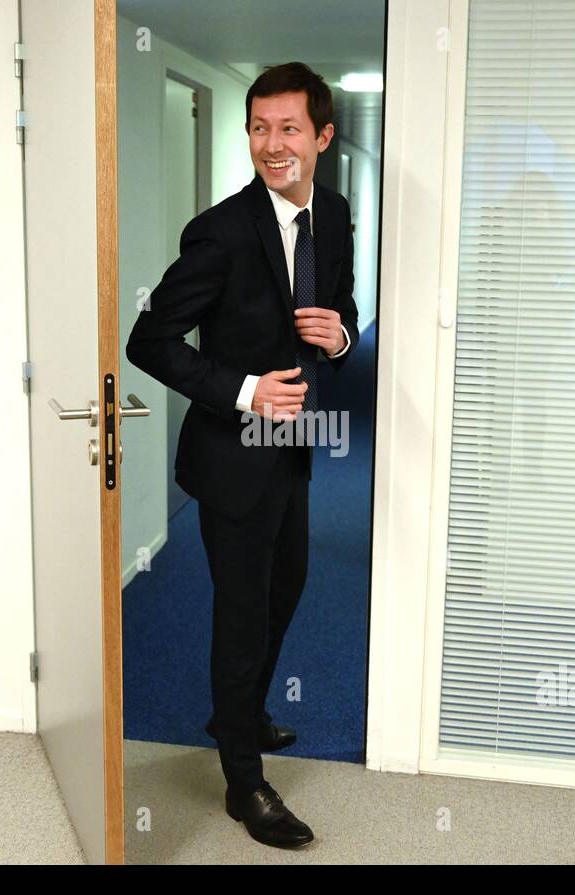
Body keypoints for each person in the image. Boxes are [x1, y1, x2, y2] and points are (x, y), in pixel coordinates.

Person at [125, 61, 359, 849]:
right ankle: (243, 782)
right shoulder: (220, 232)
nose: (271, 143)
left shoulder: (334, 210)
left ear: (322, 136)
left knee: (286, 586)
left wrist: (343, 334)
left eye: (289, 128)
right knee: (241, 615)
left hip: (291, 449)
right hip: (230, 459)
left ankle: (244, 712)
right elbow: (148, 341)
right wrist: (244, 389)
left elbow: (344, 304)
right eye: (259, 127)